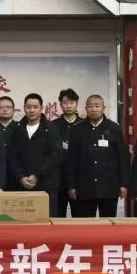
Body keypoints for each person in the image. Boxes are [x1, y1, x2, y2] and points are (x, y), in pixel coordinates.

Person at [68, 94, 128, 218]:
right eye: (90, 106)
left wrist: (124, 184)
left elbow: (123, 158)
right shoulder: (77, 130)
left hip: (109, 187)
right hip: (84, 187)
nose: (94, 109)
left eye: (97, 106)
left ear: (103, 108)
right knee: (84, 224)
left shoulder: (114, 128)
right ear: (86, 108)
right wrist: (72, 185)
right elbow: (72, 160)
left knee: (108, 224)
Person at [7, 93, 61, 213]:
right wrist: (21, 177)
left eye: (35, 107)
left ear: (41, 108)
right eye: (28, 107)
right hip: (21, 185)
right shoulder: (17, 128)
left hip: (46, 185)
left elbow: (55, 155)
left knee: (46, 219)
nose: (32, 110)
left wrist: (37, 175)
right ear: (24, 108)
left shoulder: (51, 128)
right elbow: (12, 156)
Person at [50, 88, 82, 218]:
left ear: (77, 104)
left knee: (80, 217)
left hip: (79, 180)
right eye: (65, 103)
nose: (68, 106)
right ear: (60, 104)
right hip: (58, 179)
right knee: (57, 217)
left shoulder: (84, 125)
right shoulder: (52, 126)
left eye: (71, 102)